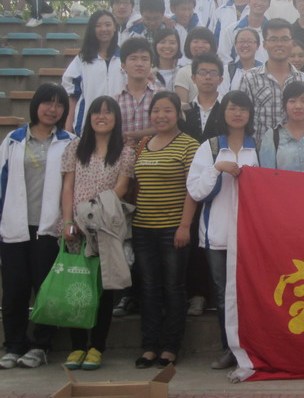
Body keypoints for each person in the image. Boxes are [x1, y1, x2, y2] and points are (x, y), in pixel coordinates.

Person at [0, 84, 74, 369]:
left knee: (46, 289)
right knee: (15, 290)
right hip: (15, 226)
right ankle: (14, 345)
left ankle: (42, 345)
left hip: (50, 228)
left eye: (59, 104)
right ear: (36, 105)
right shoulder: (13, 140)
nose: (52, 109)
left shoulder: (69, 141)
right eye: (47, 103)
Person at [61, 96, 135, 370]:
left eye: (107, 112)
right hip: (77, 230)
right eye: (96, 112)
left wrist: (93, 213)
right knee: (77, 287)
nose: (101, 117)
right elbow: (68, 186)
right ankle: (77, 346)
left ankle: (97, 347)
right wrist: (69, 221)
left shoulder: (125, 152)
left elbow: (121, 188)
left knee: (102, 291)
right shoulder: (75, 147)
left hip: (105, 228)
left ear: (116, 118)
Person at [187, 90, 258, 370]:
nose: (237, 113)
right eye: (232, 108)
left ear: (250, 114)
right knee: (222, 294)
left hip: (251, 234)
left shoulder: (258, 145)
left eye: (243, 108)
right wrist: (217, 168)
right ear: (223, 112)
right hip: (217, 233)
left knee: (249, 293)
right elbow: (195, 190)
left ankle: (252, 348)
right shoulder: (211, 147)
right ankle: (229, 348)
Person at [132, 91, 199, 368]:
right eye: (156, 110)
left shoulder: (189, 145)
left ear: (178, 114)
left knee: (173, 287)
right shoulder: (144, 144)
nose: (161, 116)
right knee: (148, 288)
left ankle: (171, 346)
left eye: (168, 110)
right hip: (142, 228)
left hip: (173, 229)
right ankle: (149, 346)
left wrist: (185, 226)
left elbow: (192, 190)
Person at [239, 18, 304, 142]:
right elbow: (241, 119)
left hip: (296, 149)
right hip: (260, 150)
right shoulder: (250, 78)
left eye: (284, 39)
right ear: (264, 44)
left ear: (292, 43)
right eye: (273, 39)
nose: (279, 44)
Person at [63, 10, 124, 135]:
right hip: (87, 126)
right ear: (92, 29)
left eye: (108, 24)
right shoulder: (82, 59)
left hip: (120, 125)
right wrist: (68, 128)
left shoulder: (124, 57)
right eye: (98, 25)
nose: (104, 29)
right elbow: (72, 96)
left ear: (114, 27)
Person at [259, 82, 304, 172]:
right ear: (284, 105)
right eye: (292, 101)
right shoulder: (272, 136)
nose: (298, 106)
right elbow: (267, 175)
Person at [115, 37, 162, 146]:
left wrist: (131, 135)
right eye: (133, 58)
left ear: (151, 65)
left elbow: (168, 127)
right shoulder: (116, 100)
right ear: (123, 65)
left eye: (144, 59)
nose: (139, 63)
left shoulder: (161, 96)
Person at [218, 0, 270, 65]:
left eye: (264, 0)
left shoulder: (272, 32)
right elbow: (224, 57)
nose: (259, 3)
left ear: (268, 5)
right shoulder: (232, 30)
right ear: (248, 1)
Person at [183, 54, 226, 143]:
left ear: (220, 80)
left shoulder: (226, 109)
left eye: (213, 73)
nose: (208, 77)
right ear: (193, 78)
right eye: (202, 72)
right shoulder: (184, 110)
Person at [174, 27, 217, 104]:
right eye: (195, 41)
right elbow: (182, 105)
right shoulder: (183, 72)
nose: (200, 45)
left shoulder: (220, 71)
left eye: (205, 42)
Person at [221, 28, 264, 94]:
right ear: (235, 45)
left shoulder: (265, 71)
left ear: (258, 46)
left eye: (250, 41)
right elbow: (222, 96)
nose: (245, 45)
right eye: (241, 41)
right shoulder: (227, 70)